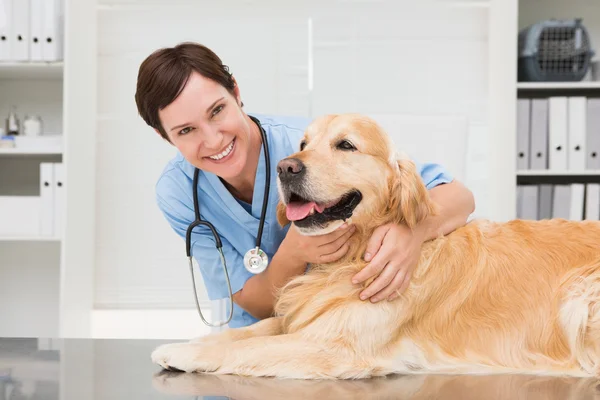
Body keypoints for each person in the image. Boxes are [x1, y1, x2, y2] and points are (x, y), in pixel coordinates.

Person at [135, 42, 476, 329]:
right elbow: (255, 304)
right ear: (164, 136)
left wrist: (412, 233)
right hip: (258, 335)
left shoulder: (309, 144)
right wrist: (294, 252)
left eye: (217, 111)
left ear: (236, 92)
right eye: (185, 130)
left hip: (345, 323)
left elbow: (460, 197)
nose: (213, 139)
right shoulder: (178, 192)